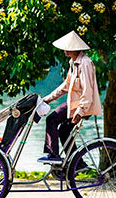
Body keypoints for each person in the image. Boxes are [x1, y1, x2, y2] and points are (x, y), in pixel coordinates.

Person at [38, 30, 102, 164]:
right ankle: (78, 164)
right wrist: (46, 99)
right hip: (75, 104)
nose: (65, 50)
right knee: (63, 131)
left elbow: (88, 91)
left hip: (81, 105)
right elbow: (66, 86)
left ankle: (52, 154)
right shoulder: (73, 63)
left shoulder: (85, 63)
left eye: (68, 47)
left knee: (52, 119)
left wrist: (80, 111)